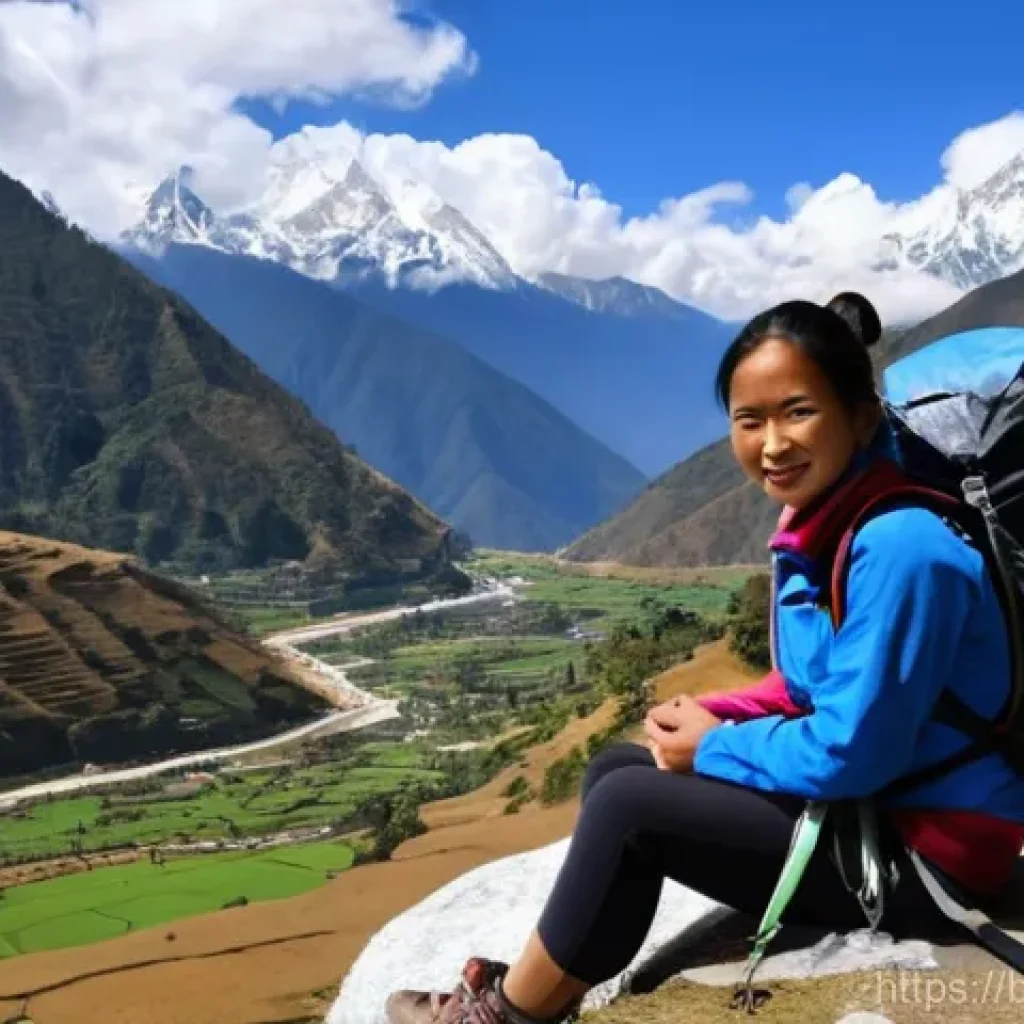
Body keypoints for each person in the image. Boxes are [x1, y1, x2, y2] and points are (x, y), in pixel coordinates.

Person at [384, 293, 1024, 1024]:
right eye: (749, 421)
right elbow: (813, 685)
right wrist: (718, 713)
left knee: (630, 807)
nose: (773, 444)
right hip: (882, 814)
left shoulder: (902, 549)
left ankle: (501, 1016)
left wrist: (715, 748)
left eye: (799, 412)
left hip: (931, 852)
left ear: (862, 416)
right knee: (617, 770)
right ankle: (554, 981)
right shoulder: (840, 523)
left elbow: (854, 752)